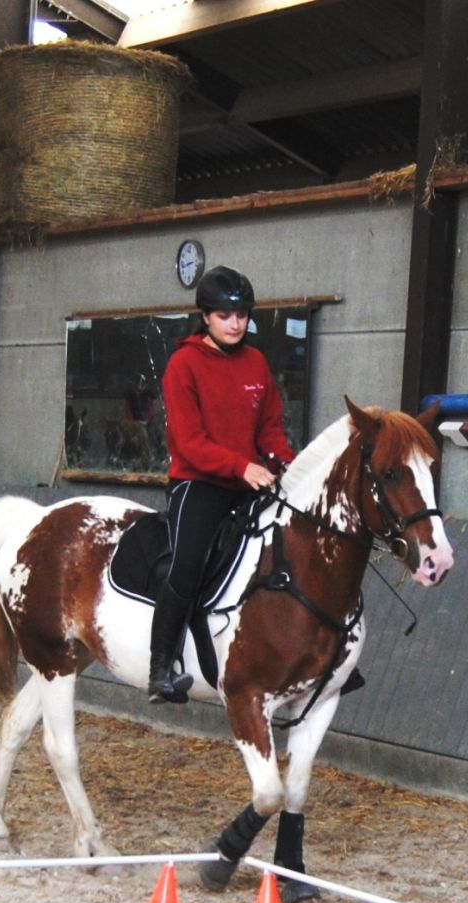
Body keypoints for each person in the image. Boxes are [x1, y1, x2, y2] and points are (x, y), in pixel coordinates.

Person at [148, 265, 295, 704]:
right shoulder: (184, 365)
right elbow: (190, 444)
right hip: (200, 482)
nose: (236, 324)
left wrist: (286, 464)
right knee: (187, 565)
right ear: (206, 318)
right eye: (225, 316)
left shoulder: (257, 363)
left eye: (243, 315)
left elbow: (270, 429)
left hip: (250, 479)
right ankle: (160, 667)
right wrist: (241, 467)